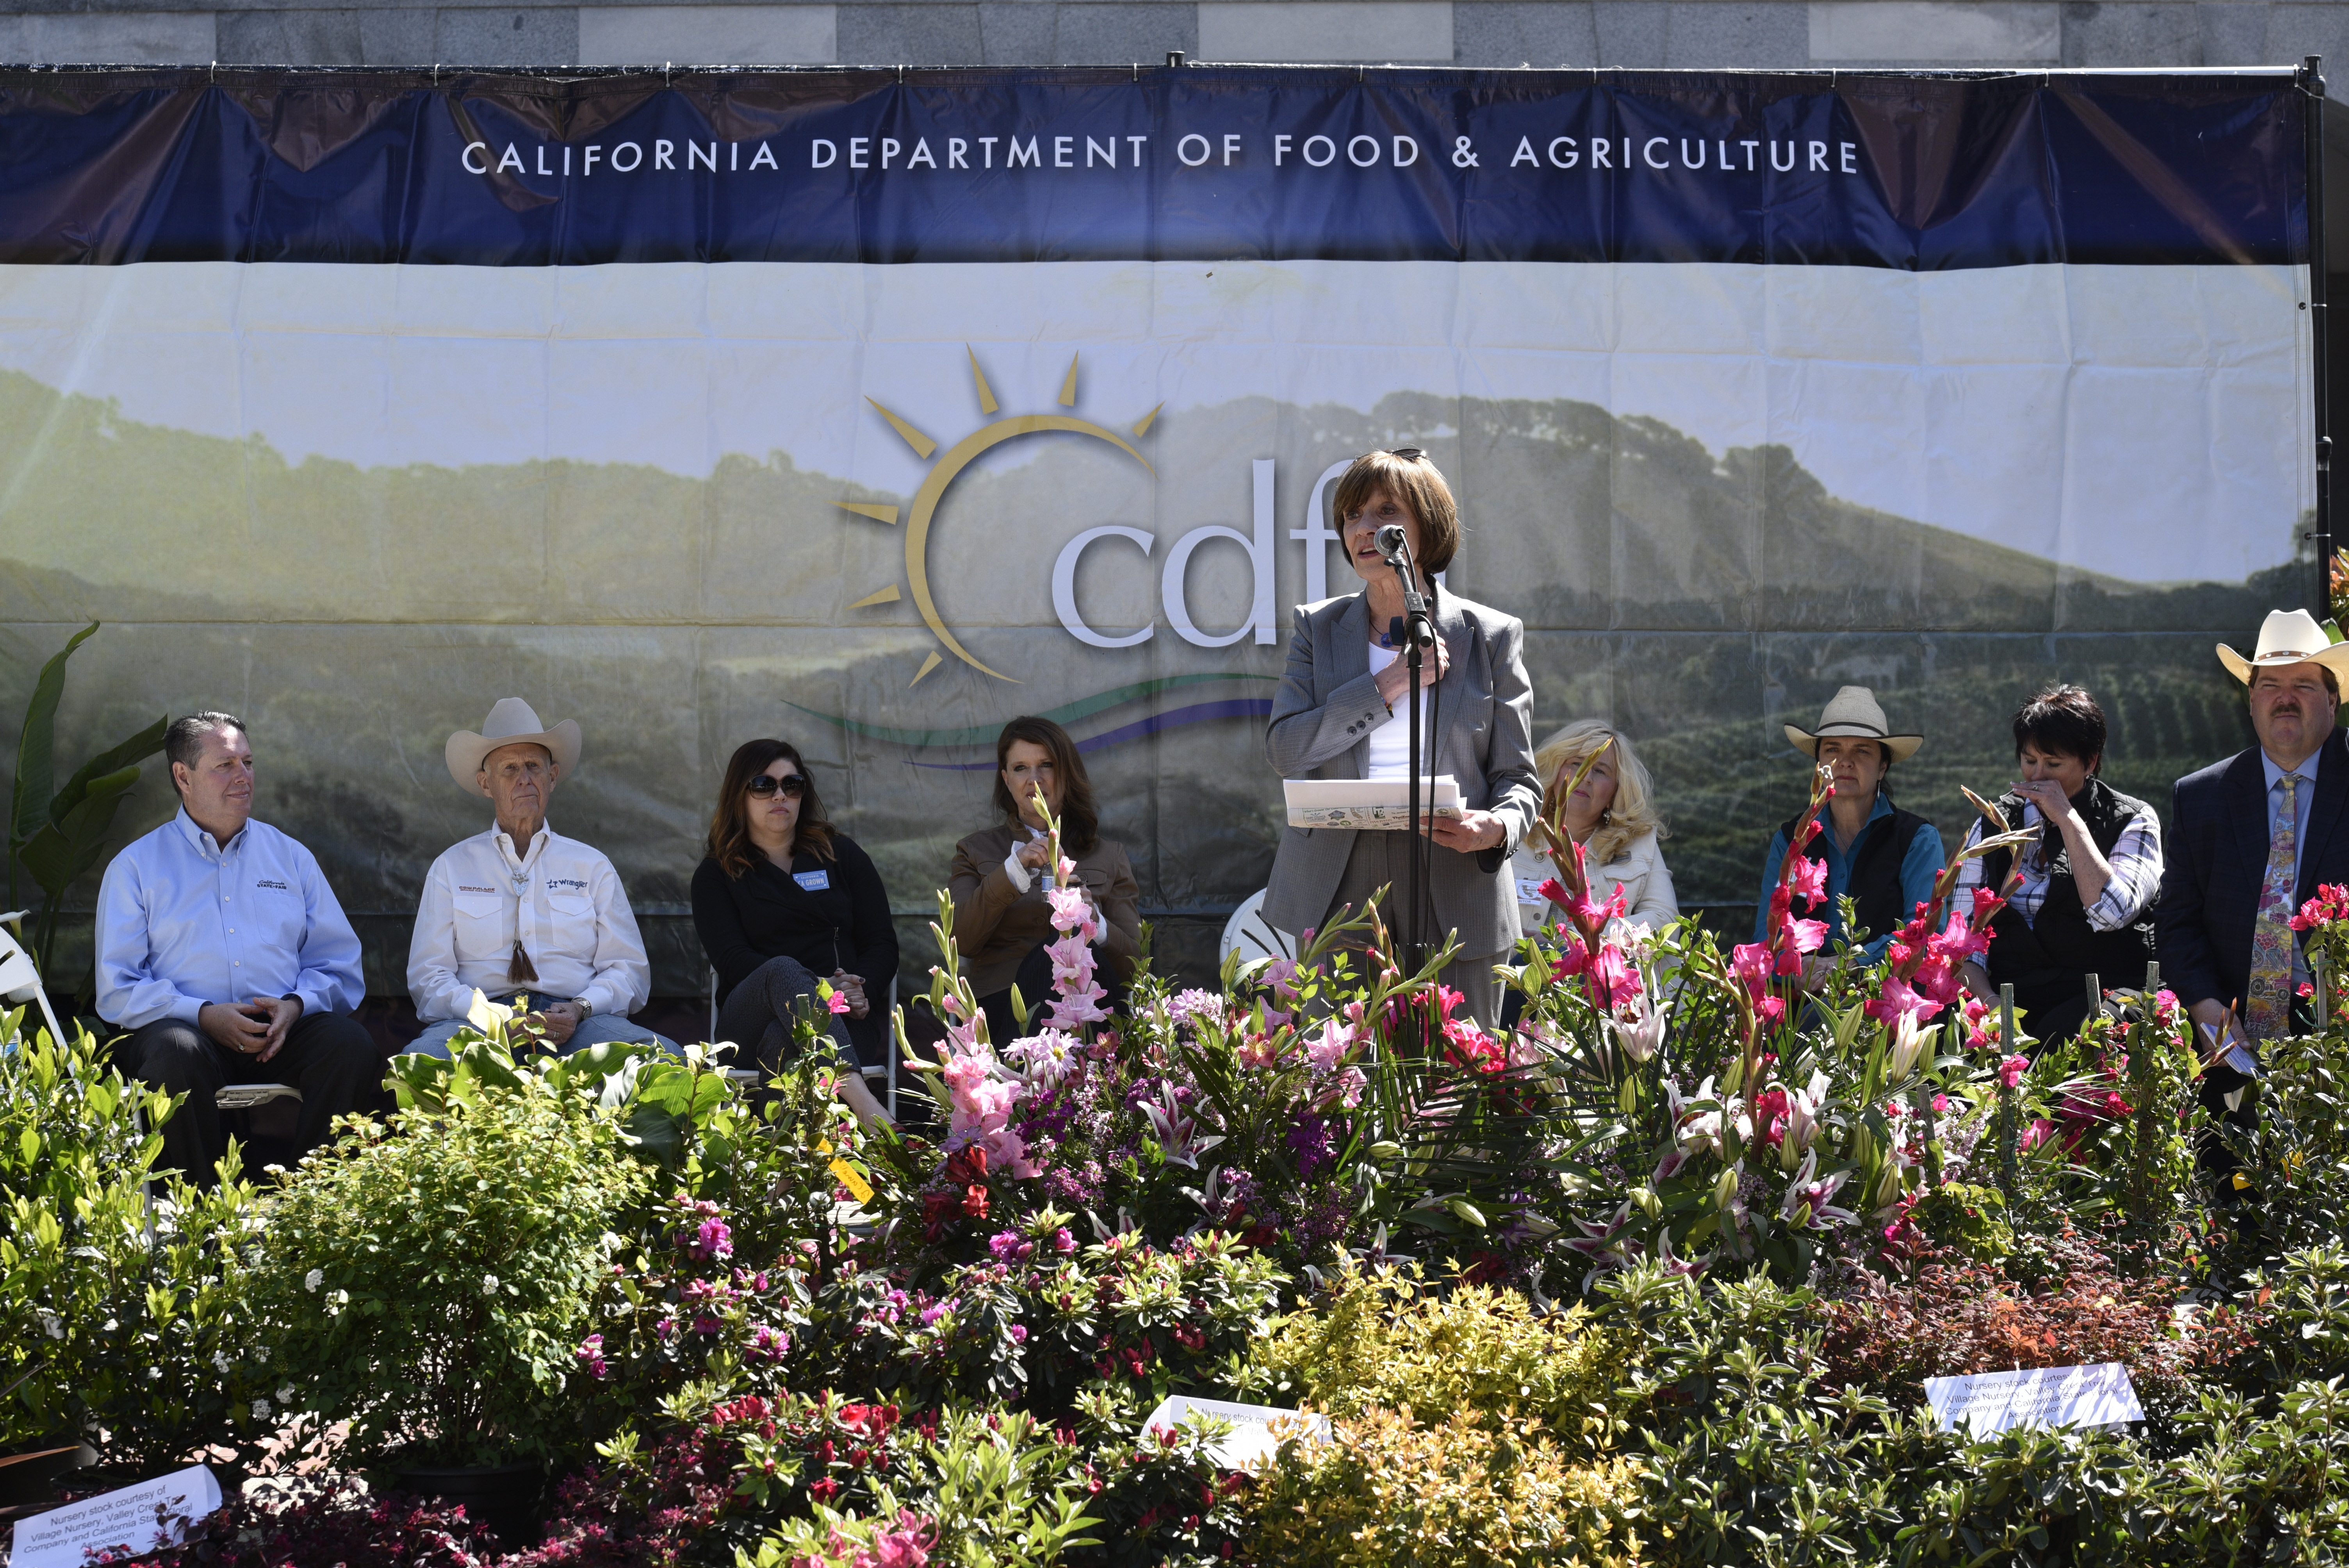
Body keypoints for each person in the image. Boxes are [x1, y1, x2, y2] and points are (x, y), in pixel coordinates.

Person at [1262, 447, 1539, 1030]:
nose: (1364, 529)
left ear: (1427, 526)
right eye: (1351, 515)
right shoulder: (1318, 628)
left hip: (1457, 878)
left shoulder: (1489, 636)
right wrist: (1387, 684)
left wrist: (1493, 829)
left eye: (1385, 512)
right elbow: (1287, 749)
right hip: (1340, 879)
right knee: (1343, 1089)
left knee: (1457, 1087)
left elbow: (1519, 780)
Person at [94, 711, 373, 1188]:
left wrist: (296, 1005)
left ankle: (318, 1218)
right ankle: (192, 1228)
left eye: (248, 762)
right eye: (224, 765)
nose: (243, 776)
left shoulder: (290, 856)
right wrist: (202, 1014)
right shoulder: (136, 867)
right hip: (188, 1034)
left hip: (282, 1031)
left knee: (349, 1046)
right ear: (183, 776)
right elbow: (118, 989)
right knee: (171, 1052)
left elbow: (338, 964)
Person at [404, 698, 677, 1059]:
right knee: (420, 1064)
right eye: (510, 769)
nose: (524, 779)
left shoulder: (591, 866)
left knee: (665, 1059)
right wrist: (493, 1017)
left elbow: (629, 971)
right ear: (486, 784)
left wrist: (581, 1007)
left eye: (534, 766)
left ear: (552, 777)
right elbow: (429, 978)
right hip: (480, 1026)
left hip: (578, 1024)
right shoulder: (451, 868)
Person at [2157, 608, 2349, 1065]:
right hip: (2234, 1049)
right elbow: (2177, 923)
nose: (2285, 699)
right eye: (2269, 686)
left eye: (2303, 685)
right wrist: (2204, 1005)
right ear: (2249, 701)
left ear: (2332, 700)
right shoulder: (2199, 797)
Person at [692, 738, 897, 1123]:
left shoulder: (841, 855)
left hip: (847, 1019)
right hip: (747, 1021)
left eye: (792, 784)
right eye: (763, 785)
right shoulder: (715, 873)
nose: (780, 795)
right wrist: (824, 992)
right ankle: (869, 1111)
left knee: (785, 1037)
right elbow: (734, 961)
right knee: (782, 969)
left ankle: (789, 1174)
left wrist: (859, 989)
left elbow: (882, 942)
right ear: (740, 792)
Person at [1953, 685, 2162, 1048]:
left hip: (2102, 995)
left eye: (2054, 764)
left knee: (2068, 1035)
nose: (2037, 777)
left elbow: (2112, 912)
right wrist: (1990, 1010)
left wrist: (2067, 819)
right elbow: (1963, 944)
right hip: (2009, 997)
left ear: (2091, 761)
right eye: (2029, 760)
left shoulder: (2134, 820)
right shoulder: (1992, 823)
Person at [949, 716, 1141, 1046]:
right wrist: (1012, 873)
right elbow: (962, 941)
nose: (1034, 779)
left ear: (1066, 774)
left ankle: (1046, 1088)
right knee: (1044, 960)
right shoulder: (975, 850)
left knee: (1064, 960)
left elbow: (1138, 967)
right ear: (1006, 780)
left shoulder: (1108, 855)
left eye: (1046, 765)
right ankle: (1047, 1083)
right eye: (1021, 768)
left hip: (1090, 1006)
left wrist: (1096, 924)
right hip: (1008, 1007)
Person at [1752, 686, 1944, 969]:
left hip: (1884, 999)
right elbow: (1765, 940)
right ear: (1819, 764)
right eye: (1833, 749)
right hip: (1798, 1002)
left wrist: (1846, 967)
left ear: (1883, 767)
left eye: (1862, 750)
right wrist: (1798, 970)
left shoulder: (1918, 840)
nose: (1845, 761)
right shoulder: (1790, 839)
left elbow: (1923, 934)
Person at [1510, 720, 1679, 938]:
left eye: (1600, 771)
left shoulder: (1639, 840)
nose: (1586, 778)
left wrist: (1574, 940)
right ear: (1555, 770)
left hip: (1602, 971)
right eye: (1577, 764)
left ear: (1616, 791)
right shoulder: (1516, 828)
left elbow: (1665, 920)